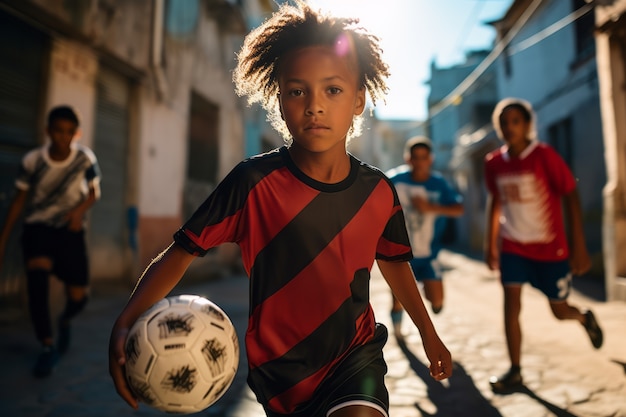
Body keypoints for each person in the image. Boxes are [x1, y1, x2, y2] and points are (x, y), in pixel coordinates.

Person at [108, 2, 452, 416]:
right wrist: (128, 318)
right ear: (279, 99)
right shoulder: (253, 182)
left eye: (333, 89)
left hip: (355, 357)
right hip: (280, 373)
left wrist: (428, 334)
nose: (314, 105)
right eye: (296, 90)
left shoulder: (378, 191)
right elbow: (182, 252)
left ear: (359, 99)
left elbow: (395, 264)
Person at [484, 97, 603, 393]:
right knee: (511, 305)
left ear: (526, 125)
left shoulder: (544, 156)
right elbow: (496, 201)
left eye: (515, 121)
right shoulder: (494, 163)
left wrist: (579, 245)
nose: (509, 127)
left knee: (559, 311)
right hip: (513, 246)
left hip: (550, 249)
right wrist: (491, 245)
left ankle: (583, 316)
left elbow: (570, 194)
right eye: (504, 123)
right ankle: (515, 371)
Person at [0, 104, 101, 377]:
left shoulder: (85, 159)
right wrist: (3, 240)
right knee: (37, 280)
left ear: (76, 134)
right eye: (58, 131)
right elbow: (19, 199)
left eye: (69, 132)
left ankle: (65, 319)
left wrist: (78, 212)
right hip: (39, 228)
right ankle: (47, 345)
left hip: (70, 231)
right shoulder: (33, 161)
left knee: (78, 297)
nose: (63, 137)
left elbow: (94, 193)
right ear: (48, 131)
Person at [386, 136, 463, 336]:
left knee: (437, 302)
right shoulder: (394, 180)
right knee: (398, 299)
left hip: (430, 254)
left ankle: (425, 291)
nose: (419, 162)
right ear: (407, 159)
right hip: (401, 254)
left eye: (424, 157)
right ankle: (397, 330)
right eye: (415, 157)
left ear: (431, 159)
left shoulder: (438, 184)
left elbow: (458, 209)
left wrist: (431, 207)